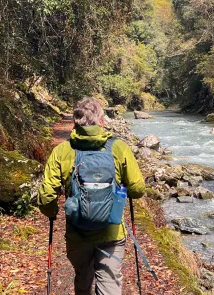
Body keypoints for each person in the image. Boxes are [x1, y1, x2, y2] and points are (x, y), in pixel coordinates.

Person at [38, 97, 145, 295]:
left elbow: (45, 197)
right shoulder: (119, 148)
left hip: (78, 233)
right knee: (110, 283)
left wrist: (52, 213)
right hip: (111, 233)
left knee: (83, 278)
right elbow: (138, 189)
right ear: (101, 121)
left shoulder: (62, 150)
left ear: (74, 122)